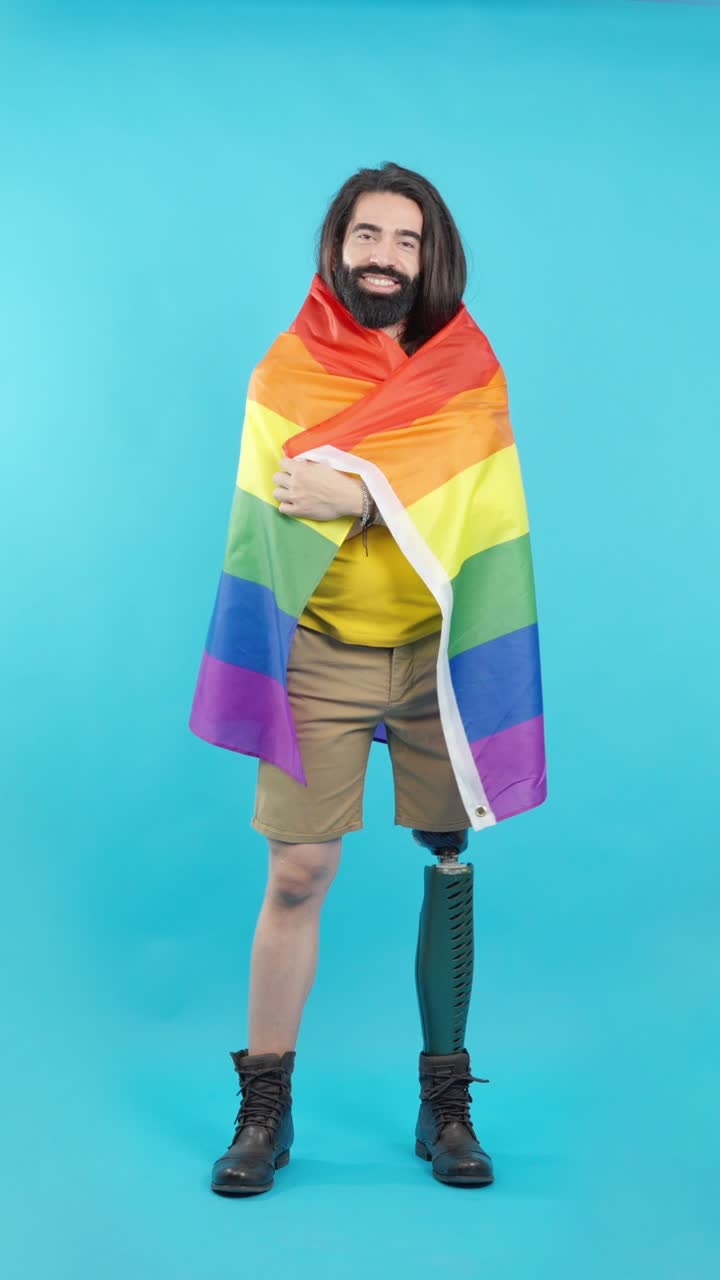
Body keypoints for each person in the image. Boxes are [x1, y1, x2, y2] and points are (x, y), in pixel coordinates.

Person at [189, 162, 547, 1196]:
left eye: (406, 240)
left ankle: (446, 1100)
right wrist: (355, 488)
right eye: (367, 235)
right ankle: (265, 1103)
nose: (384, 257)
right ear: (335, 245)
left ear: (431, 258)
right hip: (324, 652)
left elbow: (473, 506)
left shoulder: (469, 369)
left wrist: (361, 491)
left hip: (439, 654)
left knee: (447, 859)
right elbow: (282, 499)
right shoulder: (288, 368)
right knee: (298, 871)